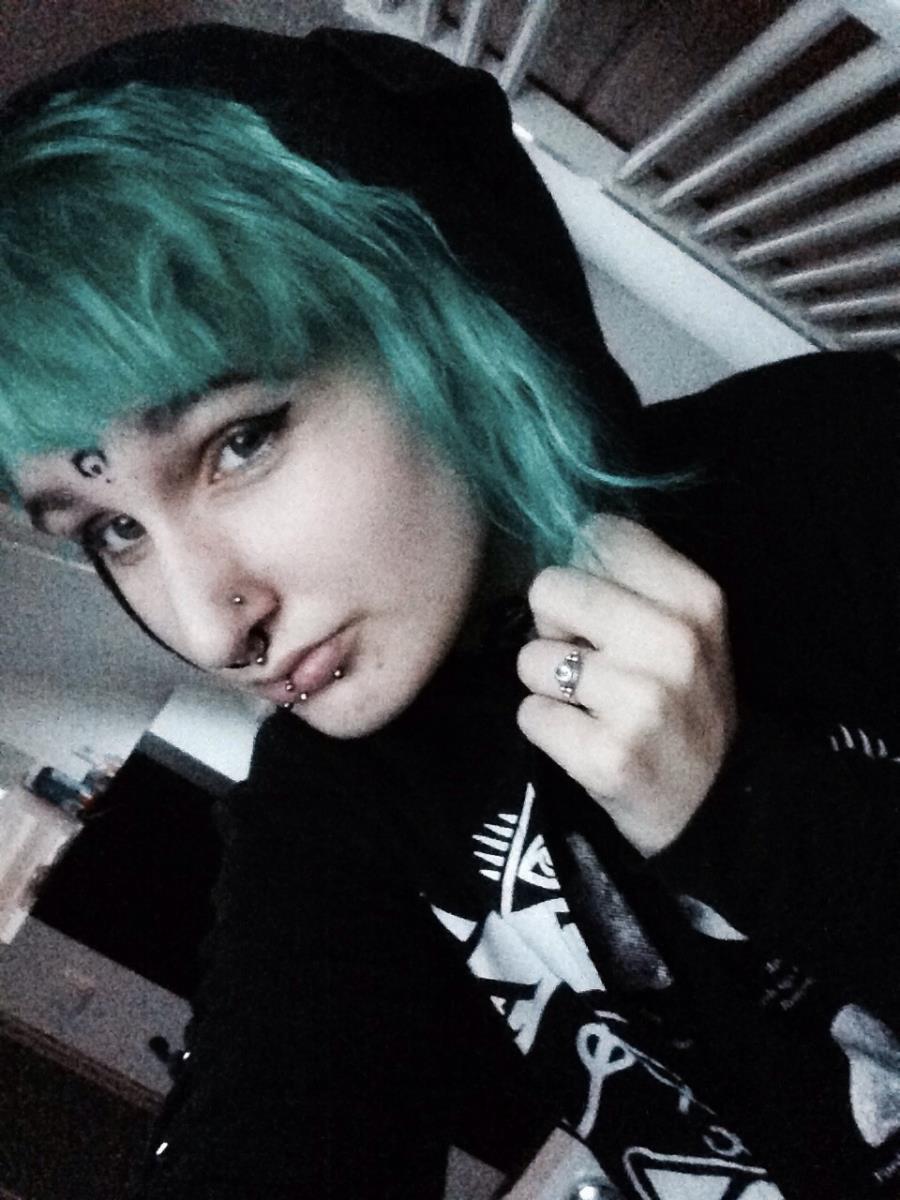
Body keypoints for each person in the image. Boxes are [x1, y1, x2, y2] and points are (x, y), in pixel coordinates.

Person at [1, 21, 898, 1200]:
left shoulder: (849, 461)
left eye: (239, 441)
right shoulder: (338, 796)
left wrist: (739, 812)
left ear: (439, 307)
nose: (211, 627)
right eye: (109, 528)